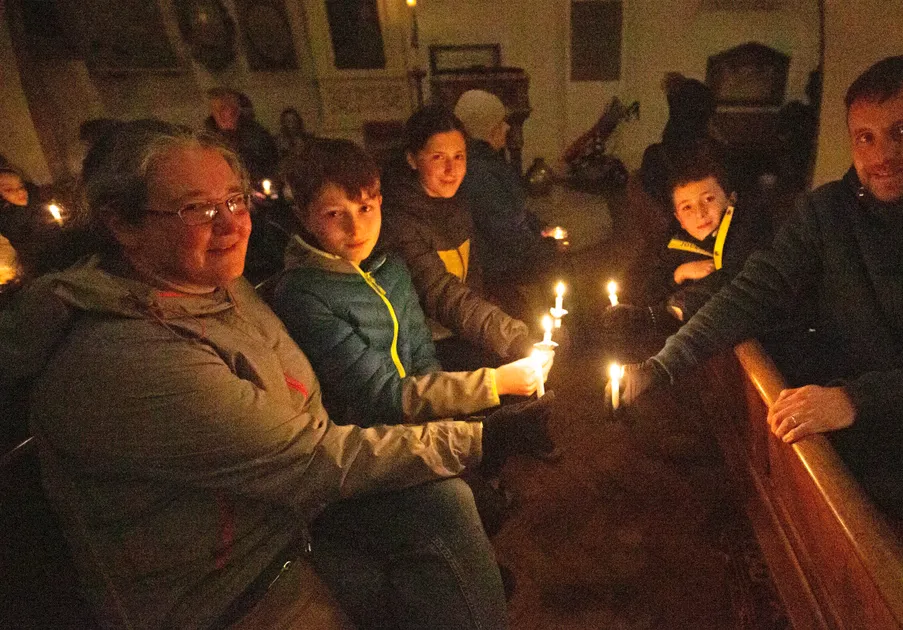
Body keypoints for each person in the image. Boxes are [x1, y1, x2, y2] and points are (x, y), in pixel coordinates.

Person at [0, 120, 550, 629]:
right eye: (197, 209)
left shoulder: (219, 287)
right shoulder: (124, 357)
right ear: (122, 223)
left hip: (291, 515)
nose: (232, 225)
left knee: (449, 513)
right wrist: (479, 433)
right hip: (233, 584)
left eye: (234, 201)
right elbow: (310, 456)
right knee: (444, 534)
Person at [611, 55, 903, 616]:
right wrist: (662, 366)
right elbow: (752, 293)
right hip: (892, 450)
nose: (880, 155)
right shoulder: (828, 214)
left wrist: (849, 399)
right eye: (864, 138)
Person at [271, 138, 555, 437]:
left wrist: (442, 425)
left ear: (379, 201)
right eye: (334, 214)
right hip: (364, 440)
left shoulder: (390, 268)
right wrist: (494, 384)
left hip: (415, 414)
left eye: (364, 207)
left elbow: (423, 356)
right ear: (304, 217)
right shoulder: (304, 295)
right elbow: (379, 396)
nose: (355, 228)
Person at [381, 105, 533, 371]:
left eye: (459, 156)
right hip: (425, 345)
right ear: (412, 160)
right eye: (438, 157)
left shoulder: (456, 201)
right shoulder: (400, 219)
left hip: (463, 329)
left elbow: (472, 276)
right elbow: (439, 292)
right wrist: (510, 335)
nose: (452, 170)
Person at [607, 145, 770, 332]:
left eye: (708, 199)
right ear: (679, 219)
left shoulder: (746, 229)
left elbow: (734, 278)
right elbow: (645, 296)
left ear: (730, 199)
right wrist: (679, 274)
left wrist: (674, 310)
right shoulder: (675, 247)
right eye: (687, 208)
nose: (700, 213)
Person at [454, 90, 560, 293]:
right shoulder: (480, 173)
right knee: (563, 269)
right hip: (498, 267)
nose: (507, 127)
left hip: (504, 256)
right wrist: (549, 247)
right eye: (501, 122)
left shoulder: (488, 162)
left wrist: (540, 228)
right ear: (488, 129)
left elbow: (511, 211)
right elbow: (505, 232)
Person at [205, 87, 280, 184]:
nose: (223, 114)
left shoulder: (257, 134)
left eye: (226, 108)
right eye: (218, 109)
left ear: (237, 109)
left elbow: (270, 164)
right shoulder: (207, 140)